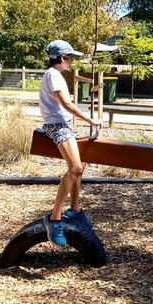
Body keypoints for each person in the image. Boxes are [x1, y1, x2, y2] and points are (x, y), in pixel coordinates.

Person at [39, 39, 99, 247]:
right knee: (74, 167)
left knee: (80, 167)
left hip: (62, 124)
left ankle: (74, 211)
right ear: (63, 58)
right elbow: (65, 103)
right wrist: (90, 120)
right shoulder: (53, 75)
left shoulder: (56, 75)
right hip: (57, 125)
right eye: (71, 57)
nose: (73, 60)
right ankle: (54, 218)